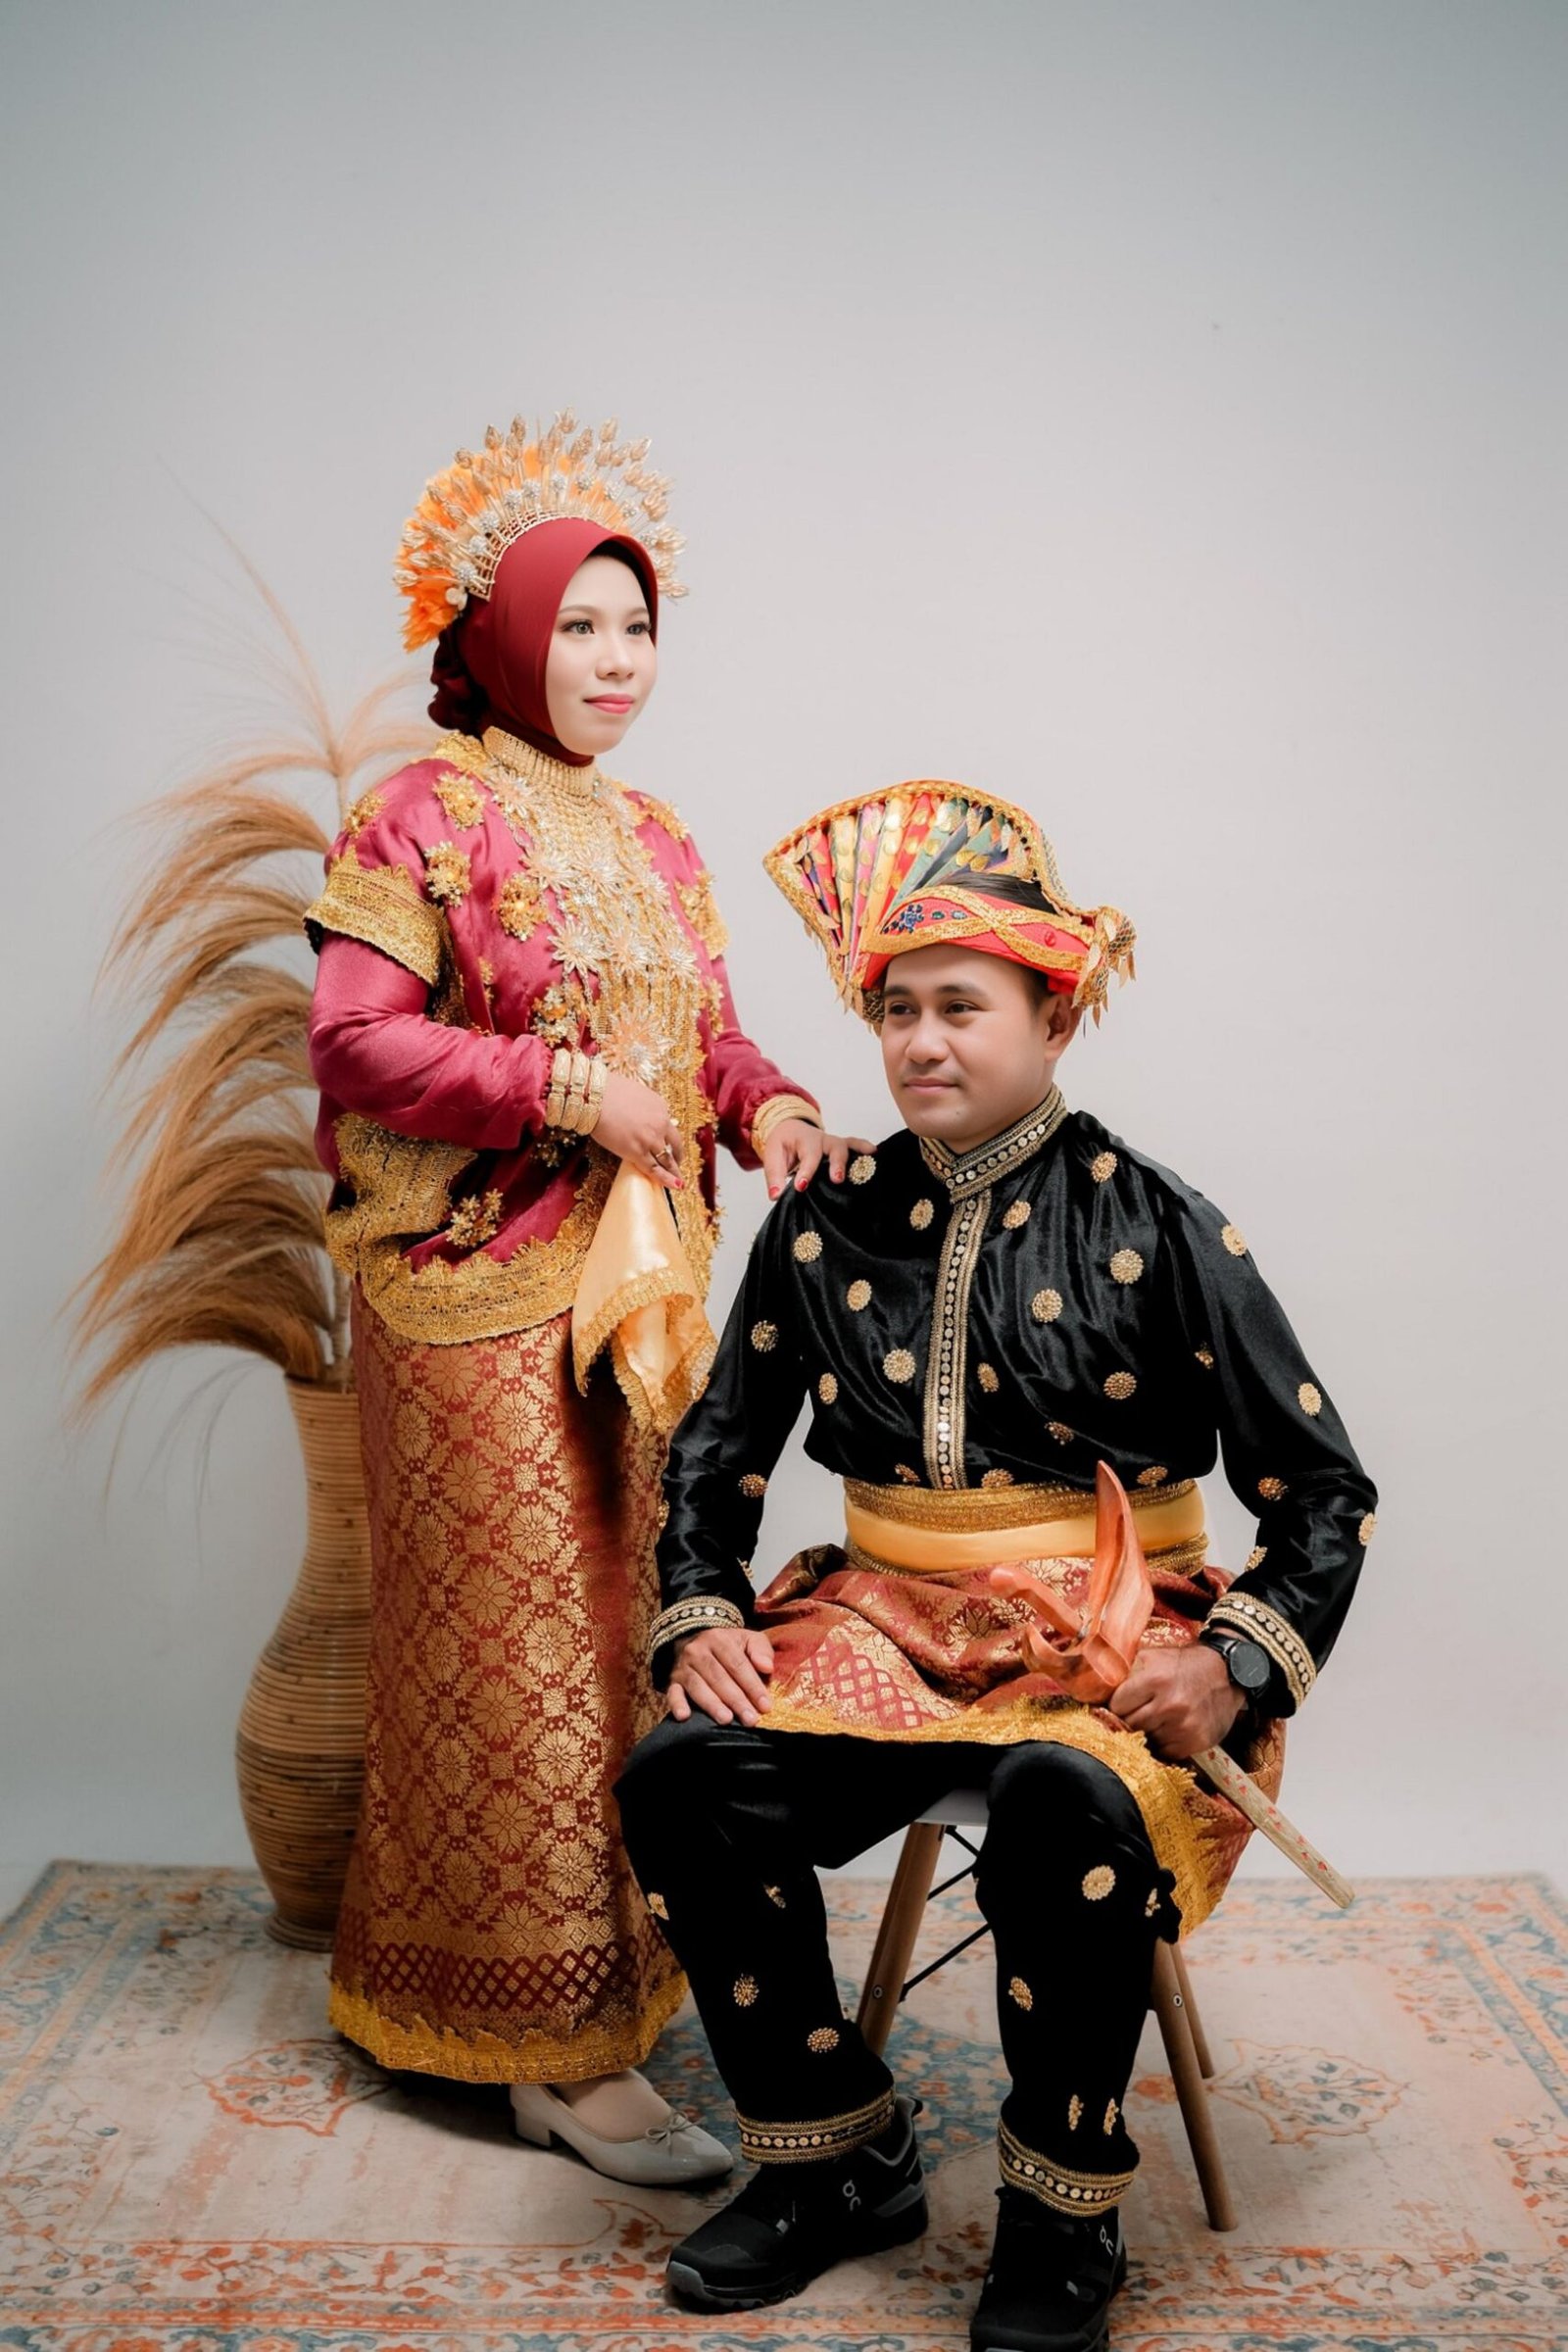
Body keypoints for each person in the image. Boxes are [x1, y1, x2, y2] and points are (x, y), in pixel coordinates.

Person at [614, 784, 1377, 2344]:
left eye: (960, 1007)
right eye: (897, 1011)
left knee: (1061, 1797)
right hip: (880, 1625)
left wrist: (1231, 1664)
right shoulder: (823, 1223)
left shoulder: (1157, 1220)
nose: (919, 1043)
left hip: (1110, 1632)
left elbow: (1323, 1491)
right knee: (682, 1774)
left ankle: (1062, 2211)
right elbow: (716, 1451)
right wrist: (698, 1610)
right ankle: (832, 2156)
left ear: (1056, 1016)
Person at [304, 415, 865, 2187]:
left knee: (630, 1638)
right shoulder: (418, 811)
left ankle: (586, 1992)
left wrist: (768, 1108)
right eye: (582, 628)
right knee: (520, 1662)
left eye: (639, 630)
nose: (618, 662)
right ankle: (553, 2055)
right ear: (501, 634)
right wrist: (560, 1091)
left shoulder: (657, 836)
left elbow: (702, 1039)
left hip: (638, 1294)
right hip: (470, 1300)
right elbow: (352, 1042)